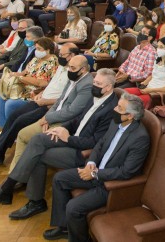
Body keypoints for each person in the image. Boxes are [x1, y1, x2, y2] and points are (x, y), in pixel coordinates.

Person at [0, 69, 118, 219]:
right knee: (37, 139)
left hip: (81, 151)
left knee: (38, 155)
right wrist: (63, 128)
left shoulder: (111, 109)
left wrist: (68, 138)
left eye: (98, 84)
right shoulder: (95, 96)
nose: (94, 86)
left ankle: (25, 197)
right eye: (94, 82)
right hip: (71, 137)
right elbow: (77, 120)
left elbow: (96, 142)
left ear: (108, 87)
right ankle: (11, 190)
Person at [44, 94, 150, 241]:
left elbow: (126, 172)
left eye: (119, 108)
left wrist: (95, 174)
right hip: (95, 170)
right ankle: (64, 228)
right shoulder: (116, 122)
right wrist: (91, 163)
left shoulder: (140, 138)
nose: (114, 109)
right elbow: (100, 144)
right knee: (59, 179)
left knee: (73, 207)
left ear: (130, 116)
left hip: (110, 184)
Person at [0, 44, 79, 162]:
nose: (60, 56)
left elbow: (67, 98)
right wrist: (41, 92)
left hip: (49, 106)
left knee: (21, 121)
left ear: (72, 55)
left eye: (62, 55)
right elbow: (51, 84)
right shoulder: (62, 67)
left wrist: (46, 102)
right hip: (41, 99)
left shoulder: (74, 74)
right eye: (59, 54)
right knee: (14, 115)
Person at [0, 37, 58, 131]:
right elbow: (24, 72)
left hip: (34, 92)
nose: (36, 51)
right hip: (23, 87)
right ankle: (4, 129)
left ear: (48, 50)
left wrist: (20, 78)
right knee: (2, 96)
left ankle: (11, 131)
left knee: (10, 104)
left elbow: (42, 83)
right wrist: (11, 77)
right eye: (36, 48)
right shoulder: (36, 59)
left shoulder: (52, 62)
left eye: (39, 49)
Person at [124, 37, 165, 107]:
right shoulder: (158, 60)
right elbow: (153, 75)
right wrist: (143, 83)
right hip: (148, 89)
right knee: (124, 93)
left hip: (155, 95)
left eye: (161, 47)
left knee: (132, 103)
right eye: (158, 46)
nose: (158, 49)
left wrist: (151, 90)